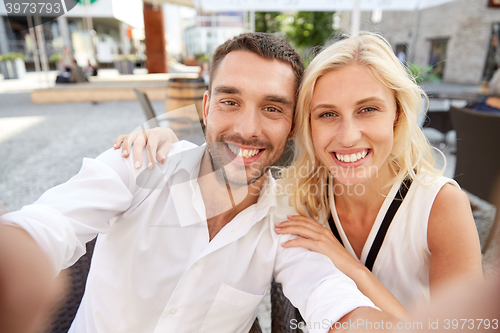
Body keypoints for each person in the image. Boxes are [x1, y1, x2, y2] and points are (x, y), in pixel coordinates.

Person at [0, 33, 391, 333]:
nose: (246, 129)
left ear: (291, 127)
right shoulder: (139, 165)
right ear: (206, 108)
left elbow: (327, 294)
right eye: (229, 101)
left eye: (272, 108)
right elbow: (49, 223)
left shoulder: (284, 222)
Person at [119, 32, 483, 315]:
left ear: (398, 116)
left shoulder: (440, 206)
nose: (348, 135)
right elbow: (205, 189)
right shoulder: (301, 196)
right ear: (304, 125)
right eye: (327, 114)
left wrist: (349, 267)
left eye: (368, 109)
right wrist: (165, 143)